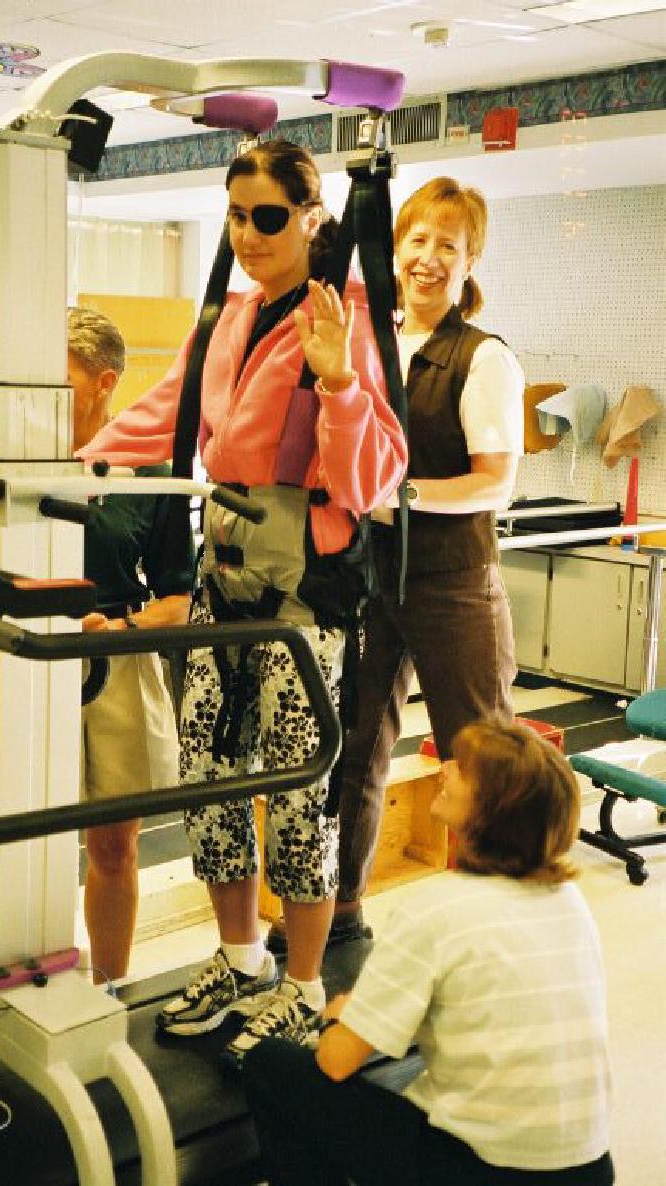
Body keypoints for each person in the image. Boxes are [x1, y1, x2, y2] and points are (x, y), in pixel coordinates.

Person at [77, 140, 407, 1061]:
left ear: (310, 217)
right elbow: (165, 412)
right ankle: (239, 957)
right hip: (223, 581)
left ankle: (303, 985)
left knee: (300, 794)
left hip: (305, 598)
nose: (251, 233)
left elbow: (374, 475)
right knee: (211, 780)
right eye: (237, 215)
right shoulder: (230, 317)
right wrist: (55, 469)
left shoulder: (338, 316)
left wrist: (339, 381)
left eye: (269, 216)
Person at [277, 174, 524, 948]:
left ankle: (498, 921)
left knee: (478, 755)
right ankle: (339, 909)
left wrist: (396, 495)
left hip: (454, 584)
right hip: (373, 576)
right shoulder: (368, 338)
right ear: (396, 248)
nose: (427, 258)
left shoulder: (482, 358)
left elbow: (496, 480)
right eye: (416, 239)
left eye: (447, 246)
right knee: (350, 747)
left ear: (469, 260)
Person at [243, 718, 615, 1186]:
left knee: (270, 1065)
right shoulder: (571, 903)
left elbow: (336, 1061)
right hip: (591, 1171)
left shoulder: (437, 909)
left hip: (483, 1173)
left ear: (492, 808)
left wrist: (341, 1017)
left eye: (463, 769)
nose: (445, 769)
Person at [69, 306, 195, 983]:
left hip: (116, 660)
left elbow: (179, 598)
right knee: (15, 841)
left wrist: (118, 630)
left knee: (114, 844)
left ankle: (108, 989)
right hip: (26, 659)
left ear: (103, 382)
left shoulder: (151, 472)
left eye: (61, 382)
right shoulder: (13, 459)